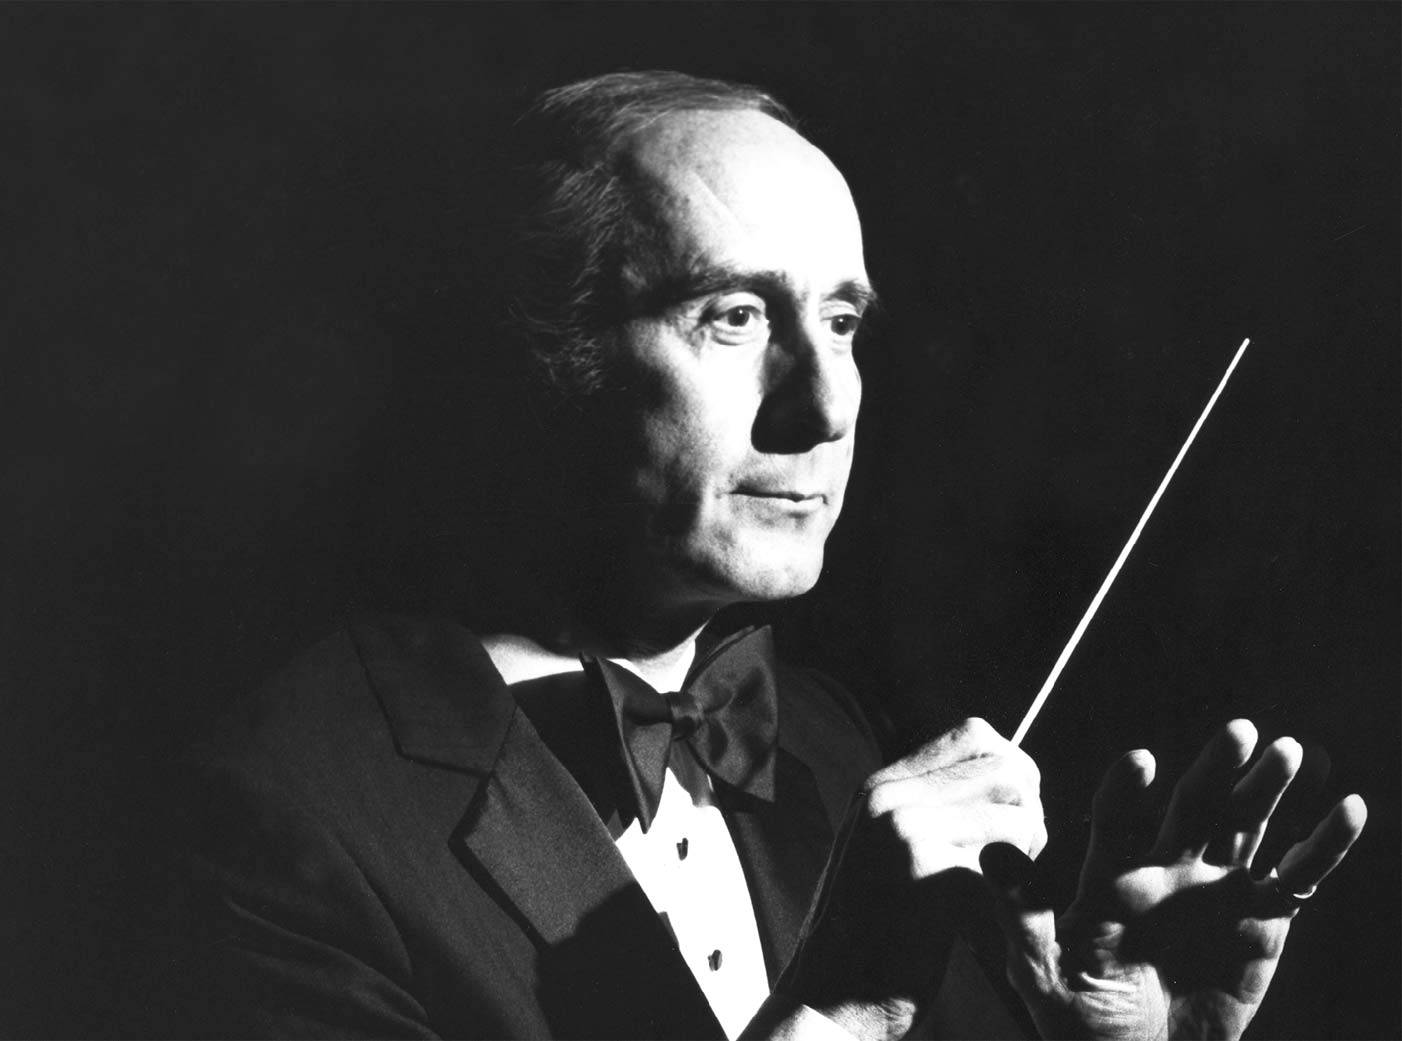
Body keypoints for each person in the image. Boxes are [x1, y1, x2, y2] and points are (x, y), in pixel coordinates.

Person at [177, 71, 1367, 1040]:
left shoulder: (827, 745)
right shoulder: (281, 814)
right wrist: (836, 1017)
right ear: (544, 361)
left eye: (841, 322)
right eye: (733, 315)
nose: (826, 405)